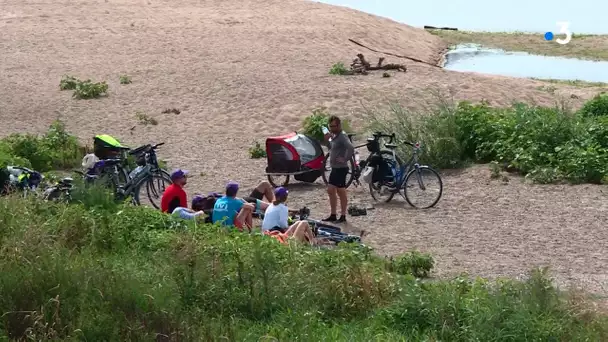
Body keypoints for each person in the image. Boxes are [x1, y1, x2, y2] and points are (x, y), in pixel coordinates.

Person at [323, 115, 354, 223]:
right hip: (335, 168)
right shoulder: (335, 136)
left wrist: (345, 158)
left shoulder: (342, 136)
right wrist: (327, 141)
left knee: (341, 192)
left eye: (334, 126)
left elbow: (350, 147)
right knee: (331, 190)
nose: (332, 128)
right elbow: (331, 148)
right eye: (330, 126)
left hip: (341, 168)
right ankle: (333, 214)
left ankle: (343, 215)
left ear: (339, 125)